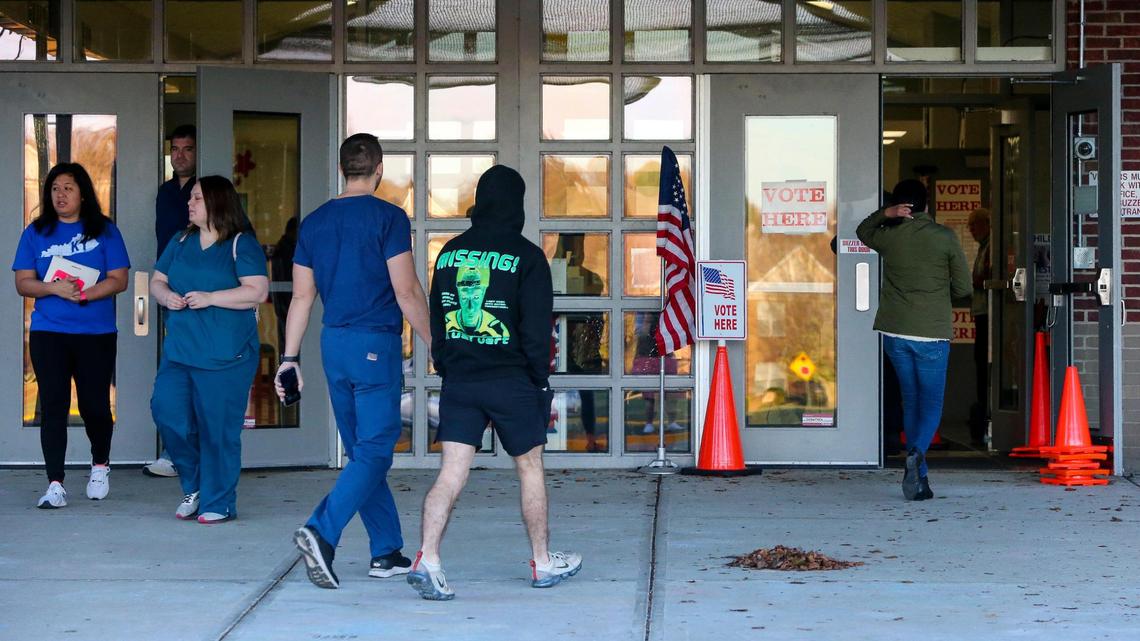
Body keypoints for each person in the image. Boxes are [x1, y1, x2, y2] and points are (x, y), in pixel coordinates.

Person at [408, 165, 582, 601]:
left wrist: (448, 365)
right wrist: (539, 383)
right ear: (517, 204)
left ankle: (428, 557)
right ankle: (542, 563)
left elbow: (437, 319)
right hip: (512, 382)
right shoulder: (526, 256)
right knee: (529, 468)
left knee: (451, 472)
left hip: (461, 380)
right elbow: (537, 331)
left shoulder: (448, 253)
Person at [279, 133, 431, 589]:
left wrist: (289, 358)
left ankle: (386, 552)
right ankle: (321, 531)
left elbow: (302, 298)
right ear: (379, 169)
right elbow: (405, 290)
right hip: (373, 346)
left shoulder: (314, 223)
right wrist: (436, 343)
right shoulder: (388, 217)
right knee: (375, 449)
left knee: (365, 454)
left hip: (333, 346)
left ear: (341, 168)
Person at [149, 176, 268, 523]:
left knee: (218, 430)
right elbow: (157, 280)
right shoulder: (181, 239)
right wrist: (165, 295)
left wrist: (211, 298)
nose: (190, 203)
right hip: (181, 350)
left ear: (217, 202)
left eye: (197, 198)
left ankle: (219, 501)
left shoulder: (241, 244)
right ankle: (196, 484)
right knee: (167, 412)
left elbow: (257, 291)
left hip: (225, 355)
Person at [12, 162, 130, 508]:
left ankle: (100, 464)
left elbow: (119, 278)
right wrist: (54, 288)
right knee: (53, 405)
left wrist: (83, 293)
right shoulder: (36, 232)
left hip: (96, 332)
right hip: (50, 332)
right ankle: (55, 483)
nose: (60, 195)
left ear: (82, 193)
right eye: (54, 189)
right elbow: (23, 282)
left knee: (94, 404)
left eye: (68, 188)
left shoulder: (105, 230)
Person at [857, 179, 970, 501]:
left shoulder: (890, 237)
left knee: (911, 398)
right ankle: (918, 453)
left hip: (894, 332)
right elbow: (963, 288)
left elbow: (863, 231)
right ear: (926, 206)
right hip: (931, 333)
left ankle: (919, 477)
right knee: (931, 402)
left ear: (901, 208)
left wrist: (885, 212)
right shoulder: (944, 238)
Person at [144, 124, 197, 478]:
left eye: (187, 149)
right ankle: (176, 451)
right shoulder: (165, 192)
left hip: (203, 294)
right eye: (174, 149)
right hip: (170, 295)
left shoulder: (205, 192)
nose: (179, 155)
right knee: (174, 377)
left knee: (197, 376)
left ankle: (190, 453)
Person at [967, 207, 992, 446]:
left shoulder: (992, 246)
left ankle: (988, 412)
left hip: (990, 315)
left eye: (973, 225)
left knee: (984, 363)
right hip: (982, 312)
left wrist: (970, 281)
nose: (970, 230)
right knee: (979, 362)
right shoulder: (984, 247)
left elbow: (989, 277)